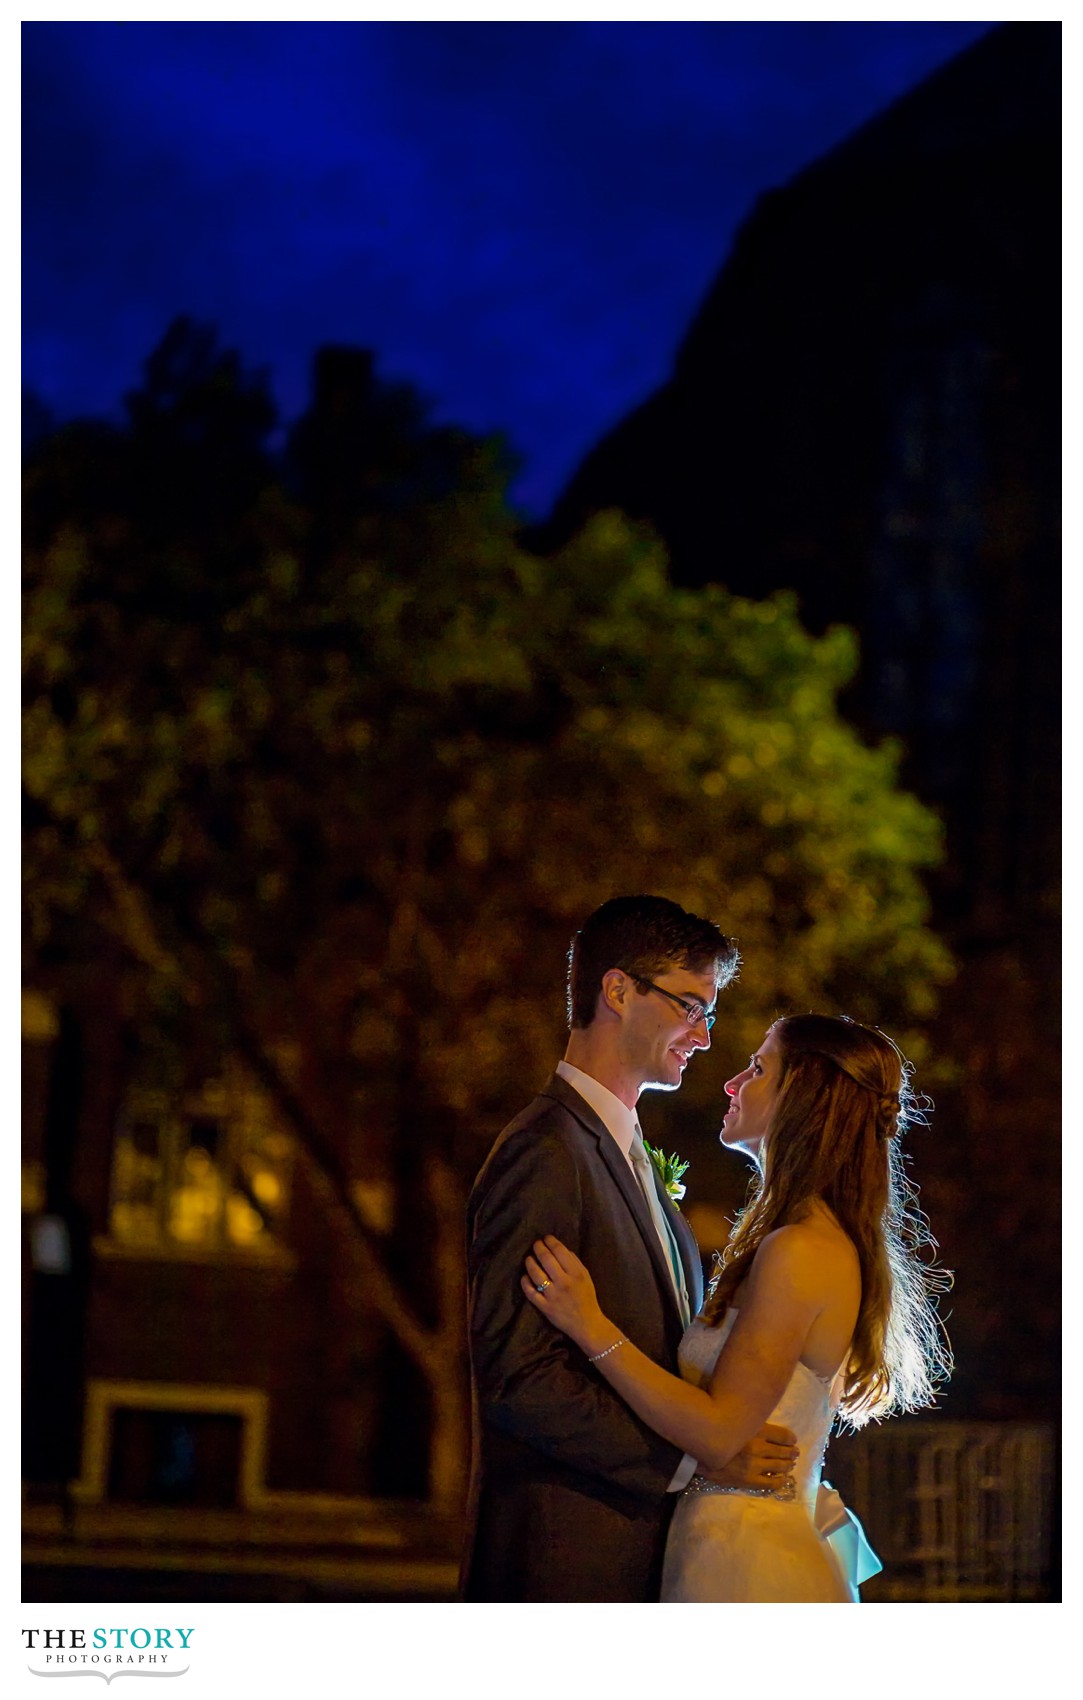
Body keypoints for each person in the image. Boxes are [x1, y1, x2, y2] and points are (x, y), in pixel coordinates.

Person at [522, 1013, 952, 1602]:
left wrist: (589, 1324)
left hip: (748, 1565)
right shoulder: (798, 1239)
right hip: (729, 1545)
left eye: (756, 1068)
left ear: (801, 1094)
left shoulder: (801, 1250)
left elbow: (720, 1432)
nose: (731, 1083)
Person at [460, 896, 801, 1603]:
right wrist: (693, 1458)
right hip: (562, 1566)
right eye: (689, 1007)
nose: (703, 1037)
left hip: (648, 1563)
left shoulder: (629, 1158)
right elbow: (519, 1381)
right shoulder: (545, 1152)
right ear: (617, 990)